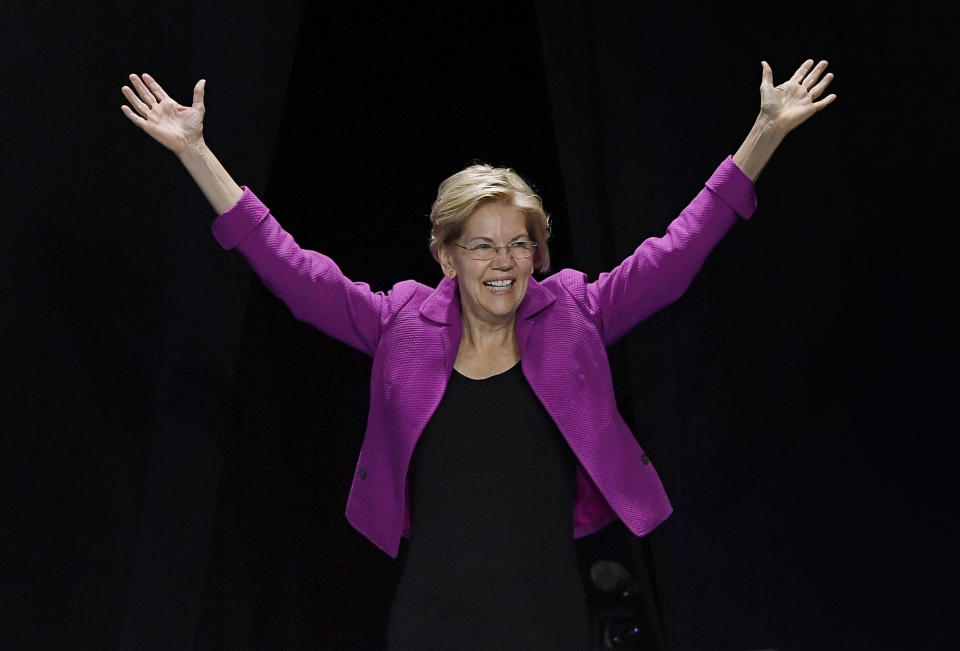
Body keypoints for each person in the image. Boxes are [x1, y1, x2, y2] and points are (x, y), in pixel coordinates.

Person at [121, 59, 835, 649]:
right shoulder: (398, 320)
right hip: (433, 617)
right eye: (484, 243)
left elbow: (679, 251)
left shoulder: (577, 310)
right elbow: (290, 267)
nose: (506, 261)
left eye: (521, 241)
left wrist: (763, 135)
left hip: (547, 617)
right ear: (446, 253)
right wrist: (196, 153)